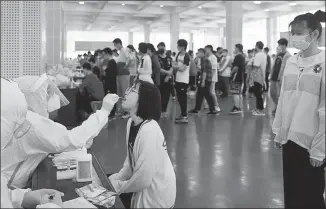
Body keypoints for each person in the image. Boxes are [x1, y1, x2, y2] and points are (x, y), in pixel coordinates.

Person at [3, 76, 119, 189]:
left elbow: (53, 140)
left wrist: (78, 143)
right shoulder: (31, 123)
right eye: (46, 93)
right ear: (35, 96)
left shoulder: (20, 118)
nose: (49, 98)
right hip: (10, 185)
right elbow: (71, 139)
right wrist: (104, 111)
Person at [272, 10, 325, 209]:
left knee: (311, 196)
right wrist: (278, 131)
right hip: (290, 140)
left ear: (314, 34)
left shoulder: (324, 62)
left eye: (299, 32)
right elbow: (284, 100)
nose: (294, 36)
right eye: (292, 32)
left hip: (312, 143)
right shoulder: (291, 61)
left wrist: (319, 151)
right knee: (292, 194)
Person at [108, 80, 176, 208]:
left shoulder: (149, 129)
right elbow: (130, 162)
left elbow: (143, 180)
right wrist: (116, 178)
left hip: (157, 198)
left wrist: (118, 186)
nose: (126, 92)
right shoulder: (131, 123)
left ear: (144, 100)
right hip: (144, 189)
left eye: (132, 90)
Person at [188, 48, 217, 115]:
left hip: (205, 80)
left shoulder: (204, 60)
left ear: (202, 53)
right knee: (199, 95)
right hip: (205, 79)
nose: (197, 54)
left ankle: (212, 109)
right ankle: (197, 109)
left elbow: (205, 72)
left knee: (207, 95)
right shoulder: (203, 60)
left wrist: (203, 81)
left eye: (198, 53)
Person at [269, 38, 292, 115]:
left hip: (280, 79)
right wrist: (270, 75)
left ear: (285, 45)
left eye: (281, 45)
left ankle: (279, 109)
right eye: (278, 45)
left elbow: (287, 68)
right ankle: (277, 106)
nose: (279, 46)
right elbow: (274, 66)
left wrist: (282, 78)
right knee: (272, 93)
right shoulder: (278, 54)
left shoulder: (288, 56)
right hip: (273, 78)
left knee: (279, 95)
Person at [172, 39, 190, 124]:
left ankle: (184, 116)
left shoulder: (187, 56)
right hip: (178, 79)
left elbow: (183, 69)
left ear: (182, 47)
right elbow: (173, 64)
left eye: (178, 46)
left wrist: (176, 67)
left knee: (183, 98)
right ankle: (182, 114)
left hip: (184, 80)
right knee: (179, 98)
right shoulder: (178, 54)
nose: (177, 47)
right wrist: (177, 67)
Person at [113, 38, 131, 118]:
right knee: (120, 93)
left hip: (124, 75)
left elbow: (130, 58)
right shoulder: (120, 53)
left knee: (125, 93)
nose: (115, 46)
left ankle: (128, 112)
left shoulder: (124, 50)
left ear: (119, 43)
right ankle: (121, 111)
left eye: (115, 45)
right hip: (119, 75)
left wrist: (126, 67)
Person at [249, 41, 267, 116]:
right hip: (261, 75)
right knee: (257, 93)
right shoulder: (263, 54)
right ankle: (258, 109)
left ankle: (260, 110)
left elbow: (256, 65)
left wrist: (250, 65)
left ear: (257, 46)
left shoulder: (258, 55)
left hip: (258, 75)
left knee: (258, 93)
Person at [157, 42, 173, 118]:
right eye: (158, 48)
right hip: (159, 78)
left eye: (161, 48)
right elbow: (158, 68)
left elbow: (171, 67)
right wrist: (167, 72)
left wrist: (168, 75)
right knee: (159, 95)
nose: (160, 49)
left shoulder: (169, 58)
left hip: (168, 78)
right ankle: (159, 110)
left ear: (164, 47)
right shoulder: (157, 58)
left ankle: (164, 111)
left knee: (166, 96)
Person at [229, 44, 246, 114]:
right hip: (241, 76)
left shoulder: (238, 57)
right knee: (238, 93)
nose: (234, 49)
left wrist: (231, 73)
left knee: (235, 93)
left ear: (238, 49)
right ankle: (239, 106)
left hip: (236, 76)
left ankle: (237, 107)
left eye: (235, 48)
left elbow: (236, 67)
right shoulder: (242, 56)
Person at [103, 47, 118, 120]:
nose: (104, 56)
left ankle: (112, 113)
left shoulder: (112, 62)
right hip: (110, 83)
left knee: (111, 98)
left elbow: (111, 74)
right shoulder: (110, 62)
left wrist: (106, 70)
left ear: (107, 54)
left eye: (104, 54)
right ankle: (111, 113)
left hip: (111, 84)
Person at [205, 45, 221, 113]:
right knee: (208, 92)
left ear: (209, 49)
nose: (205, 51)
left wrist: (211, 78)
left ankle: (216, 105)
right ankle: (208, 105)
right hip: (208, 77)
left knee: (212, 92)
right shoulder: (208, 57)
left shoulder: (213, 57)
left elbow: (214, 69)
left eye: (206, 49)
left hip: (212, 78)